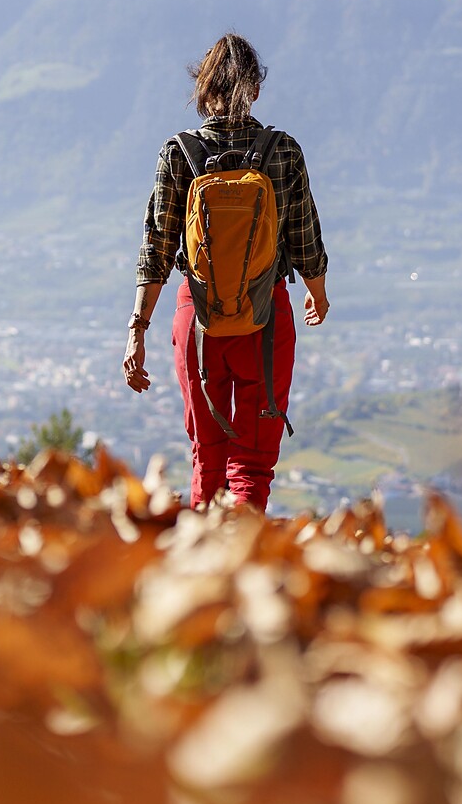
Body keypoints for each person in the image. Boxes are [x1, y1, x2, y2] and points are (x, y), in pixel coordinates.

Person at [123, 33, 329, 509]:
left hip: (197, 321)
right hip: (266, 321)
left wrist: (137, 328)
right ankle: (244, 557)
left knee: (208, 457)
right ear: (254, 89)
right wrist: (318, 291)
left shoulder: (178, 153)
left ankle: (203, 561)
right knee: (252, 462)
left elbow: (156, 247)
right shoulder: (283, 150)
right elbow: (304, 238)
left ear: (204, 90)